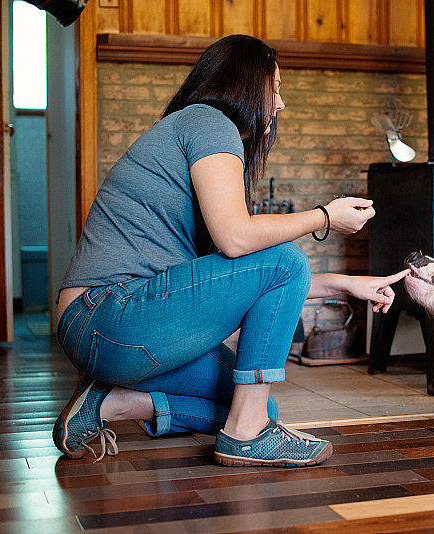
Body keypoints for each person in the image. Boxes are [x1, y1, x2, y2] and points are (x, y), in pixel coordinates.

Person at [53, 34, 407, 467]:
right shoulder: (208, 123)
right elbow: (238, 239)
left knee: (256, 403)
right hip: (108, 318)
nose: (280, 104)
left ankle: (113, 403)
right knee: (285, 260)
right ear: (246, 83)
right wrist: (325, 217)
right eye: (275, 88)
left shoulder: (194, 129)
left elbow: (247, 278)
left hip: (112, 330)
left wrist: (347, 285)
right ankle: (246, 437)